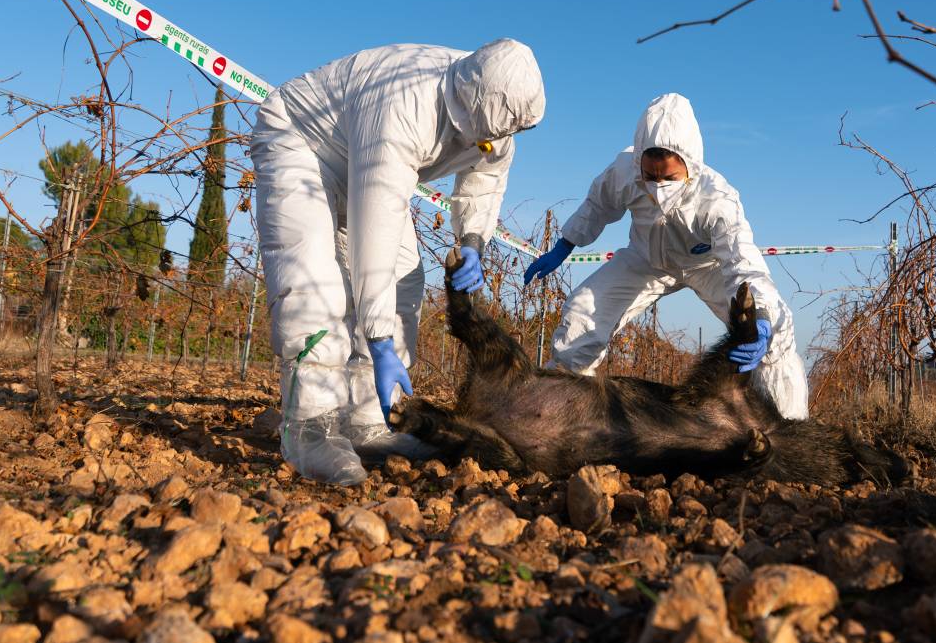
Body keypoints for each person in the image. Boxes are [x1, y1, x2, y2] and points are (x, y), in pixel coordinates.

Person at [252, 39, 546, 484]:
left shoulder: (500, 117)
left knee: (406, 281)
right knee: (314, 279)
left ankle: (368, 420)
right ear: (464, 102)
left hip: (361, 156)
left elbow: (486, 178)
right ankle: (309, 432)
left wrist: (472, 241)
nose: (489, 142)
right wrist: (379, 339)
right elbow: (377, 234)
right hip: (302, 142)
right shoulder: (404, 104)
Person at [524, 93, 808, 420]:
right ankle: (557, 414)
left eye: (669, 178)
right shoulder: (623, 172)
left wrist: (761, 316)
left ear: (690, 164)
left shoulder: (717, 199)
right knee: (582, 312)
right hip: (645, 261)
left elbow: (741, 262)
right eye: (650, 176)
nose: (658, 186)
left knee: (774, 337)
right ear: (639, 164)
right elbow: (598, 205)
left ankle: (790, 430)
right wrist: (566, 244)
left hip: (707, 266)